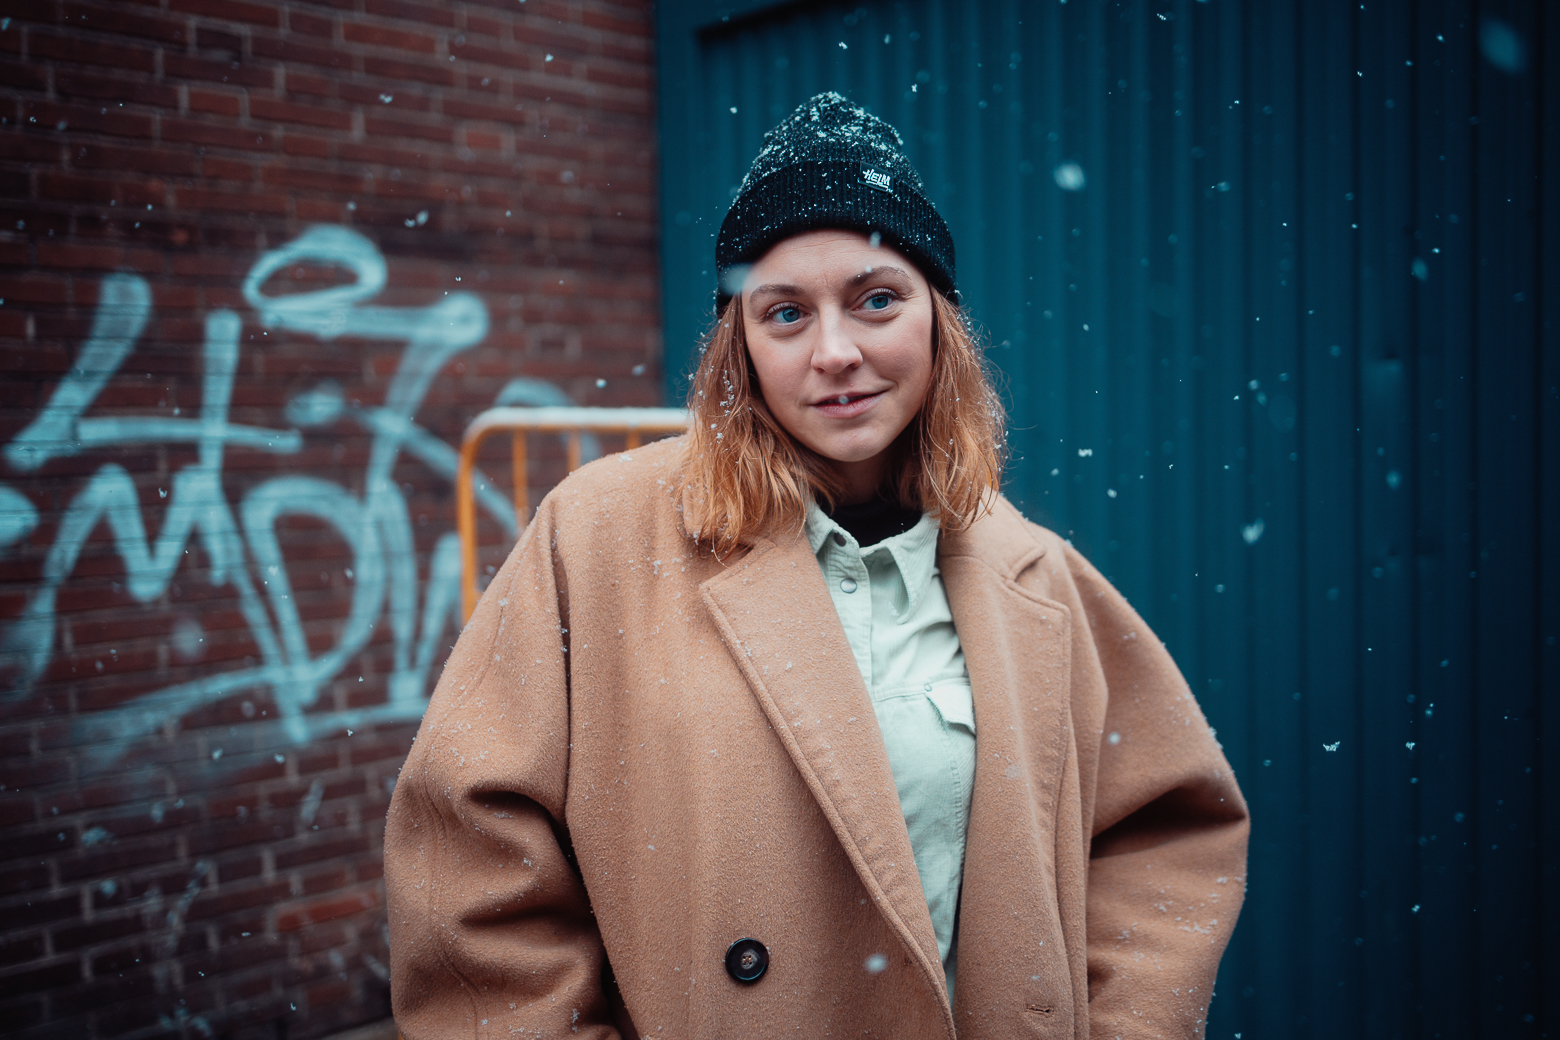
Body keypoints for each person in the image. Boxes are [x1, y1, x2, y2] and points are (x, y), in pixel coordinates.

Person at [385, 92, 1248, 1040]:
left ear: (937, 321)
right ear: (741, 347)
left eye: (876, 299)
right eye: (785, 312)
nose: (835, 352)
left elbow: (1163, 832)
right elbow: (466, 853)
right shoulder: (597, 538)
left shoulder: (1026, 568)